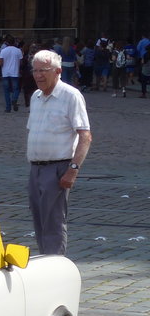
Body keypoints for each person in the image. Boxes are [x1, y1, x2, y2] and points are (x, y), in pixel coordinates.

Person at [26, 49, 91, 256]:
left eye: (44, 70)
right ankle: (46, 259)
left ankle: (55, 263)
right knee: (39, 220)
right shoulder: (36, 96)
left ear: (58, 71)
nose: (38, 75)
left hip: (58, 168)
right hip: (35, 167)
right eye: (35, 70)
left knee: (53, 222)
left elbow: (85, 136)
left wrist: (73, 170)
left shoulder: (71, 96)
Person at [0, 36, 22, 112]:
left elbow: (1, 63)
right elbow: (21, 62)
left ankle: (8, 108)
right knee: (16, 89)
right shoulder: (18, 51)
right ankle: (14, 99)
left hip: (5, 72)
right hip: (15, 72)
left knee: (6, 91)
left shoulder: (3, 51)